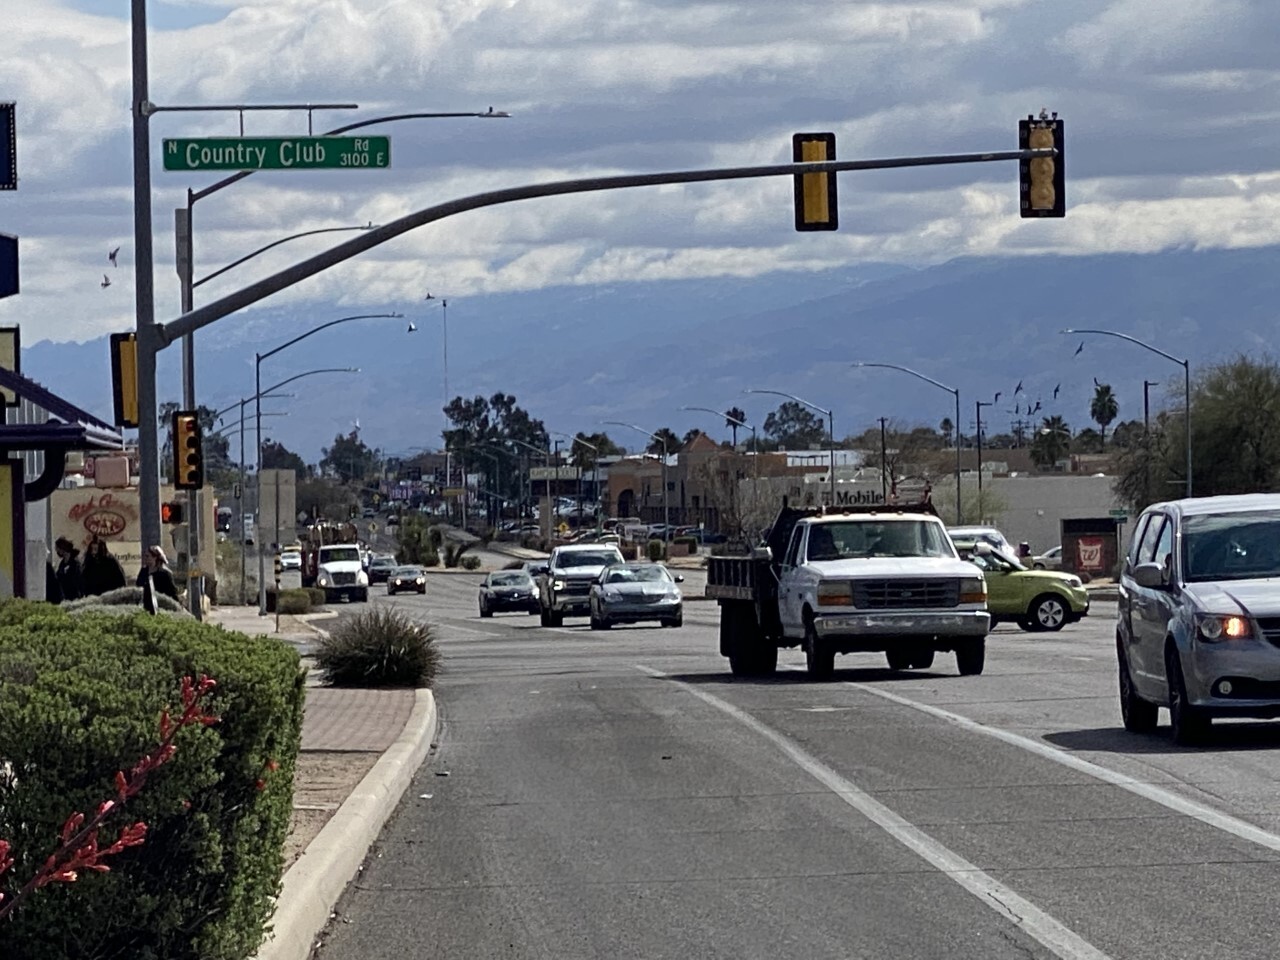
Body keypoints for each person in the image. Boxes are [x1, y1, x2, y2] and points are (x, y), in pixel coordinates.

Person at [137, 545, 180, 612]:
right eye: (145, 556)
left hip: (161, 607)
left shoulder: (165, 574)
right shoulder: (143, 571)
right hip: (144, 606)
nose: (145, 558)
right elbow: (138, 586)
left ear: (155, 557)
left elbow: (172, 593)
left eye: (147, 556)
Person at [53, 537, 84, 602]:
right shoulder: (62, 563)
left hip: (74, 594)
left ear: (62, 548)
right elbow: (59, 576)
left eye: (58, 549)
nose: (57, 551)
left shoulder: (74, 561)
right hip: (65, 594)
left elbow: (77, 578)